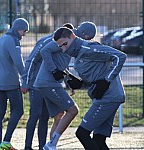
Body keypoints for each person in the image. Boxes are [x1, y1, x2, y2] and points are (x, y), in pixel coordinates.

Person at [53, 27, 127, 150]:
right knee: (98, 140)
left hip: (108, 97)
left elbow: (120, 56)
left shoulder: (88, 48)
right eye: (61, 47)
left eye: (65, 44)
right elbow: (97, 78)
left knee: (82, 133)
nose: (64, 49)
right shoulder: (79, 54)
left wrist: (107, 80)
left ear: (73, 37)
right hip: (106, 97)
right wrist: (81, 84)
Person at [32, 21, 97, 150]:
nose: (87, 41)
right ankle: (51, 144)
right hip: (48, 83)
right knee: (73, 110)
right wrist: (53, 70)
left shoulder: (72, 42)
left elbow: (62, 64)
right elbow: (44, 51)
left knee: (58, 116)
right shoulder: (67, 39)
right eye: (89, 38)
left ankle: (51, 146)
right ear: (84, 34)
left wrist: (68, 81)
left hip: (46, 83)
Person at [21, 23, 75, 150]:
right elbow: (31, 60)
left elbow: (62, 65)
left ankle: (42, 146)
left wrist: (69, 83)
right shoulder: (46, 42)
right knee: (35, 115)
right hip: (36, 84)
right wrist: (25, 82)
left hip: (49, 85)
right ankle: (27, 146)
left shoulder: (62, 45)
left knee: (44, 117)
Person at [0, 18, 29, 150]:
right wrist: (26, 79)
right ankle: (6, 142)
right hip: (11, 82)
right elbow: (19, 62)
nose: (24, 34)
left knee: (0, 114)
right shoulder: (13, 41)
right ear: (18, 28)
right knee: (18, 110)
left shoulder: (1, 39)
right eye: (24, 31)